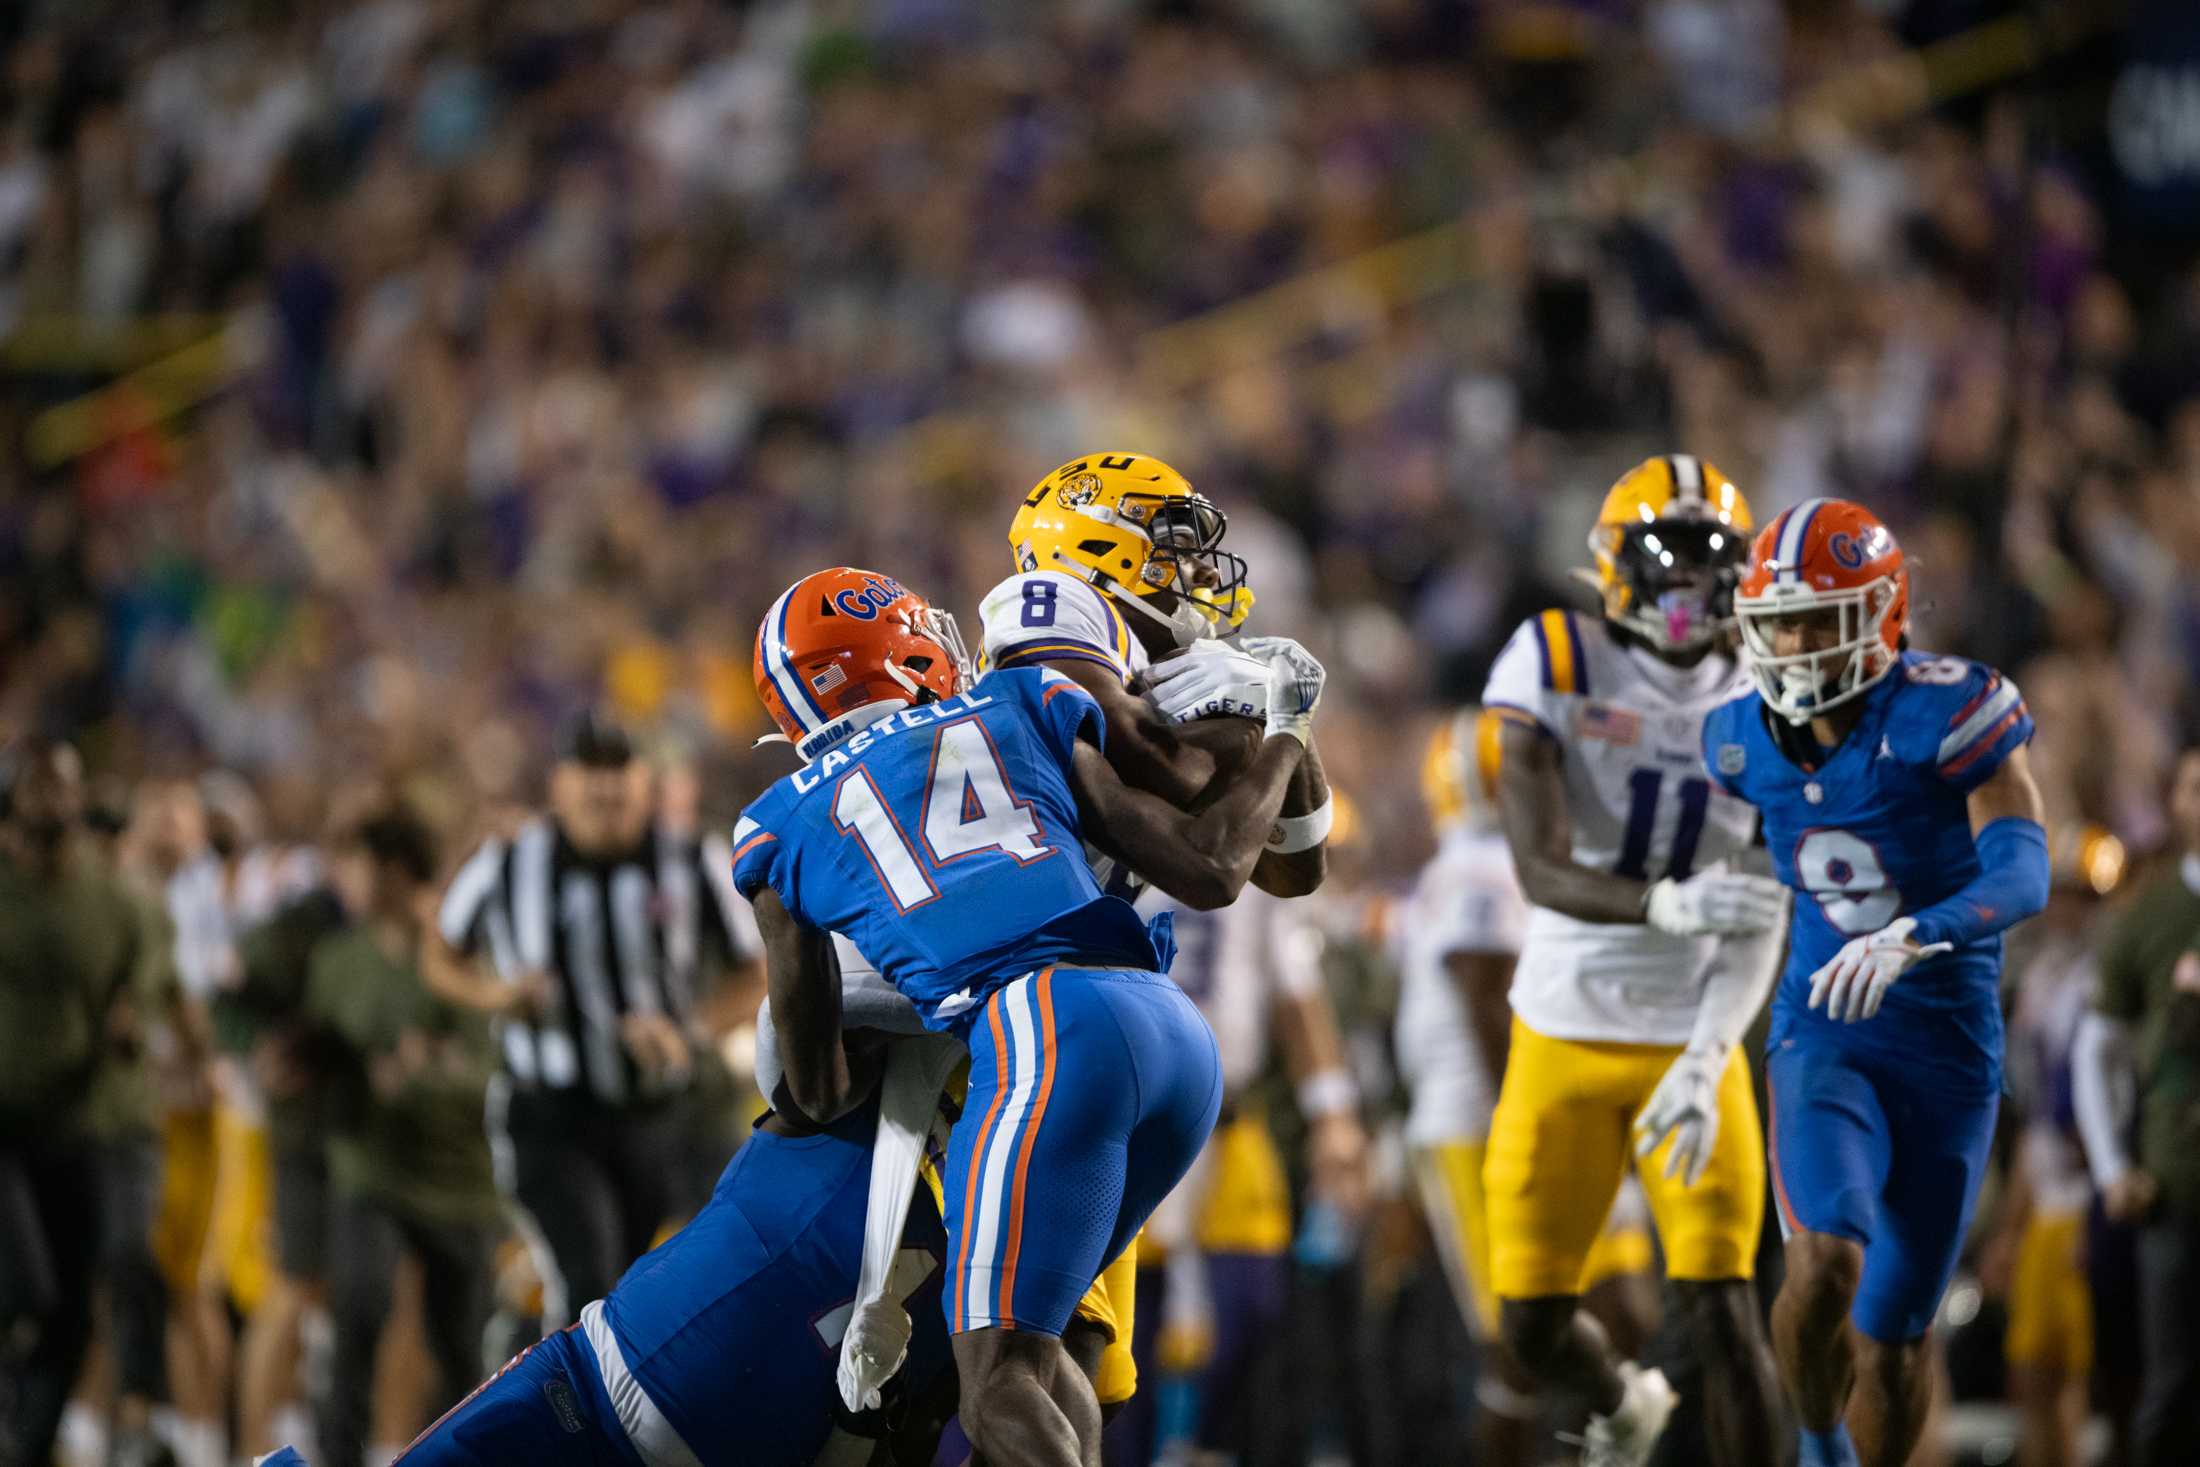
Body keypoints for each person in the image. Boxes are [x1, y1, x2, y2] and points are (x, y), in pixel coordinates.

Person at [737, 565, 1324, 1466]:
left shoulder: (778, 824)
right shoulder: (1018, 698)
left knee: (995, 1377)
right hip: (1168, 1027)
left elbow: (811, 1089)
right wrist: (1280, 728)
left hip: (1040, 1032)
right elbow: (1208, 866)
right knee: (1054, 1362)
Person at [1701, 498, 2050, 1467]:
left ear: (1882, 616)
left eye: (1819, 620)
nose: (1794, 646)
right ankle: (1817, 1449)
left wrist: (1915, 937)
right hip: (1824, 1035)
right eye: (1776, 624)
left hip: (1945, 1052)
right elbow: (1707, 845)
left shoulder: (1948, 712)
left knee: (1894, 1344)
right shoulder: (1732, 738)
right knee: (1821, 1263)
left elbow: (2025, 871)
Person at [1479, 456, 1789, 1467]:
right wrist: (1662, 901)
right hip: (1564, 1024)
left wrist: (1710, 1053)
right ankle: (1623, 1398)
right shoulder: (1556, 655)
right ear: (1614, 563)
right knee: (1526, 1326)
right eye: (1670, 558)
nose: (1690, 586)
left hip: (1689, 1033)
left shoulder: (1770, 684)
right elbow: (1536, 866)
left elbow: (1763, 906)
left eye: (1711, 562)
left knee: (1728, 1308)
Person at [425, 710, 761, 1328]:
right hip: (548, 1112)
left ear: (643, 780)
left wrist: (689, 1032)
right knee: (590, 1281)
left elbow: (753, 972)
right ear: (559, 782)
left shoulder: (692, 861)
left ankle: (539, 1364)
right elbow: (441, 952)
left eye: (618, 770)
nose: (605, 788)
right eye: (589, 771)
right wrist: (493, 994)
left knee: (640, 1285)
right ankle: (567, 1413)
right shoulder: (507, 863)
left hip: (657, 1115)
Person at [1394, 709, 1658, 1467]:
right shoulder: (1479, 865)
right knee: (1520, 1343)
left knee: (1621, 1316)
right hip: (1486, 1123)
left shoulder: (1503, 862)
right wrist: (1542, 1123)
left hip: (1548, 1111)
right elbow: (1487, 1001)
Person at [1114, 881, 1369, 1465]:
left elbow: (1295, 994)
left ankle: (1211, 1446)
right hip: (1132, 1124)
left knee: (1252, 1302)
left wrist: (1333, 1111)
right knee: (1123, 1333)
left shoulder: (1254, 871)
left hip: (1232, 1117)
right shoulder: (1109, 838)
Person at [305, 806, 501, 1467]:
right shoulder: (336, 959)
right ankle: (339, 1454)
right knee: (358, 1305)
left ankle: (456, 1457)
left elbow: (488, 1066)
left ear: (388, 871)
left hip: (460, 1178)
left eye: (355, 862)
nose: (343, 877)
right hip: (372, 1166)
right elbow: (317, 1053)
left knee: (461, 1347)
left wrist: (420, 1075)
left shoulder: (459, 950)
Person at [0, 742, 145, 1467]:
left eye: (66, 784)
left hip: (75, 1121)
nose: (55, 799)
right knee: (23, 1289)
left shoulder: (108, 898)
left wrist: (128, 1024)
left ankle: (24, 1451)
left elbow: (133, 987)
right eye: (39, 785)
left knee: (73, 1313)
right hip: (2, 1129)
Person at [2073, 747, 2200, 1467]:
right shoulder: (2150, 915)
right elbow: (2096, 1049)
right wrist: (2114, 1166)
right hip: (2176, 1182)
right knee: (2171, 1385)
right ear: (2175, 804)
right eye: (2194, 786)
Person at [1985, 827, 2121, 1467]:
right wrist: (2012, 1223)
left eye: (2081, 898)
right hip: (2045, 1190)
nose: (2068, 911)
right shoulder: (2040, 978)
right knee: (2031, 1373)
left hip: (2091, 1189)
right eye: (2060, 895)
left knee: (2085, 1377)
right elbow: (2037, 1116)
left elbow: (2109, 1104)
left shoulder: (2108, 979)